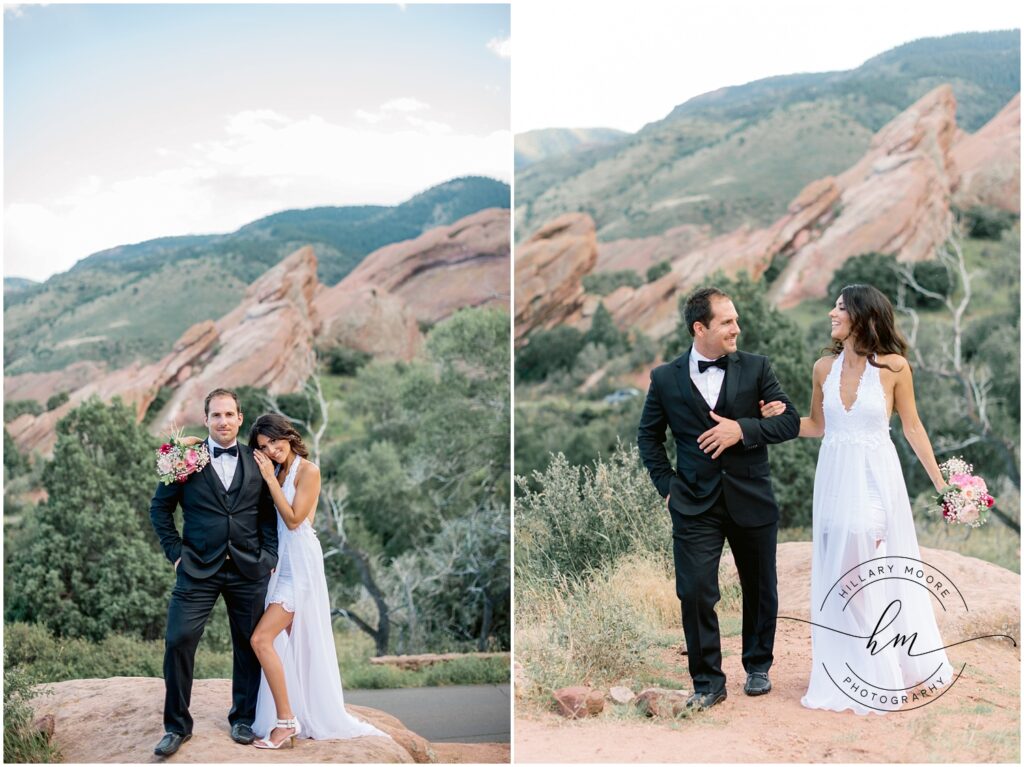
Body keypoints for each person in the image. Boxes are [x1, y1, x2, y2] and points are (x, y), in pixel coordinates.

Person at [760, 283, 955, 714]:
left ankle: (879, 668)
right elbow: (815, 424)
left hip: (874, 480)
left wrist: (944, 486)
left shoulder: (895, 368)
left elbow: (913, 428)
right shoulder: (822, 369)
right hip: (833, 480)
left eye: (841, 308)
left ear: (863, 318)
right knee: (842, 570)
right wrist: (778, 418)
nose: (832, 313)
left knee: (859, 556)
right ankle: (854, 664)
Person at [637, 287, 800, 709]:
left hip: (751, 495)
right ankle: (708, 682)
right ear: (700, 327)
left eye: (736, 320)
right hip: (692, 501)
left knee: (760, 587)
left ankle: (758, 666)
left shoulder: (757, 368)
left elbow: (790, 423)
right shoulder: (665, 378)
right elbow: (648, 438)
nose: (736, 329)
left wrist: (742, 429)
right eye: (727, 322)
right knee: (693, 591)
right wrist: (667, 486)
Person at [149, 389, 278, 757]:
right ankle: (176, 727)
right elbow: (160, 511)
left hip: (248, 569)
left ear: (240, 418)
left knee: (249, 645)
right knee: (178, 640)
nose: (223, 421)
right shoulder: (184, 459)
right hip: (196, 569)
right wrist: (176, 554)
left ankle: (243, 718)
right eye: (216, 415)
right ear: (205, 420)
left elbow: (268, 514)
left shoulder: (259, 461)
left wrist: (268, 556)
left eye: (229, 414)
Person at [247, 413, 388, 748]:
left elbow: (296, 520)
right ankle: (301, 713)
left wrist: (268, 479)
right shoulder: (277, 468)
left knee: (261, 640)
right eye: (264, 447)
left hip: (302, 565)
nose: (272, 450)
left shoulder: (308, 471)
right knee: (293, 644)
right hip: (283, 563)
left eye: (274, 442)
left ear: (287, 435)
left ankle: (286, 722)